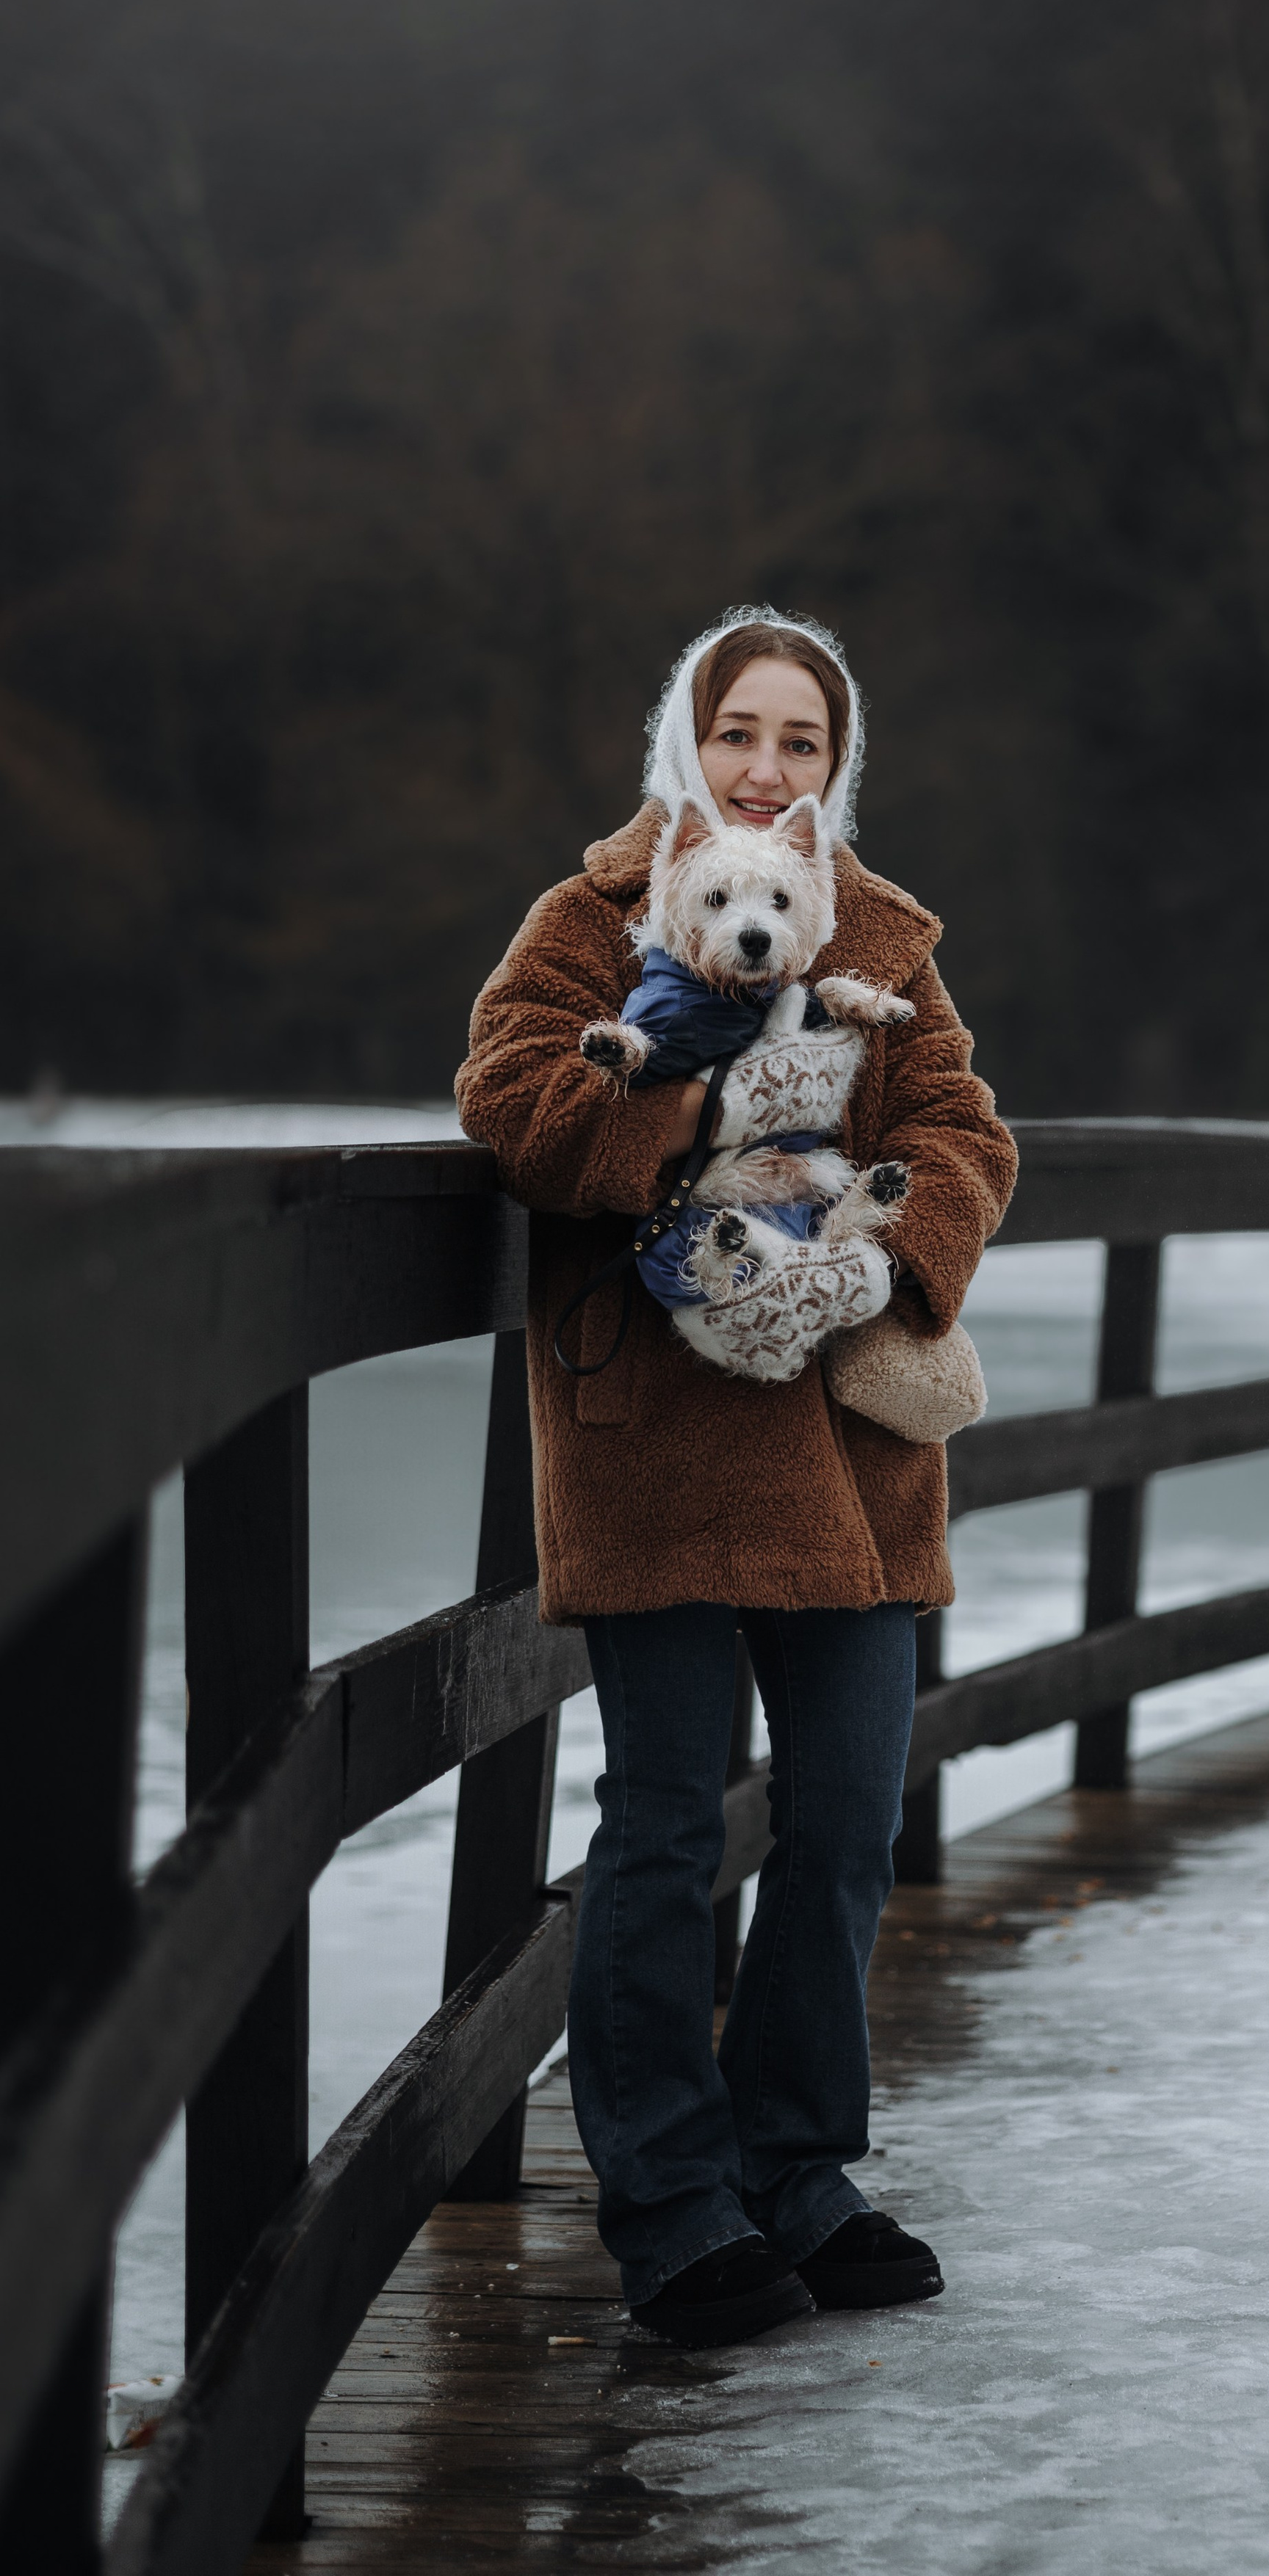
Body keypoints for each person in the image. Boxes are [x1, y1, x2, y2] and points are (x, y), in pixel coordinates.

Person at [455, 607, 1018, 2345]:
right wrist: (692, 1120)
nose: (765, 766)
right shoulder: (588, 921)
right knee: (665, 1822)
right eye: (737, 733)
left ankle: (798, 2167)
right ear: (683, 746)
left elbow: (964, 1133)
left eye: (797, 740)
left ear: (830, 765)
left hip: (846, 1450)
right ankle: (675, 2200)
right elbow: (514, 1111)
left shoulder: (878, 936)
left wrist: (872, 1255)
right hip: (663, 1445)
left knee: (847, 1810)